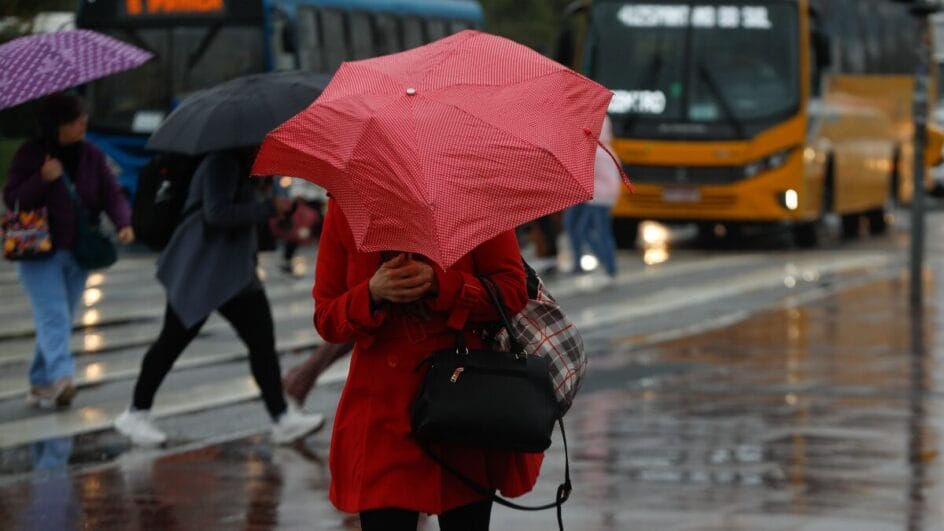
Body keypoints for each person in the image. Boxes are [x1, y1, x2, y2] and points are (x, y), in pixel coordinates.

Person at [314, 200, 544, 531]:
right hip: (382, 411)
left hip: (463, 401)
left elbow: (511, 290)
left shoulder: (471, 197)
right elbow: (326, 318)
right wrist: (372, 293)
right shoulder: (347, 205)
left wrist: (440, 284)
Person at [114, 147, 325, 446]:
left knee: (260, 341)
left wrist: (270, 201)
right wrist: (266, 208)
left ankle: (281, 417)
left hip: (231, 274)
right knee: (172, 341)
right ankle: (135, 413)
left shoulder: (240, 164)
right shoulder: (222, 162)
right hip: (204, 272)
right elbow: (216, 213)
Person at [3, 93, 134, 409]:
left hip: (78, 250)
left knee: (60, 318)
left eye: (83, 118)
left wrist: (123, 222)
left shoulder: (91, 155)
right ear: (57, 124)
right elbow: (12, 199)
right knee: (55, 315)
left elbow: (111, 192)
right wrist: (41, 179)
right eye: (76, 120)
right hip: (38, 251)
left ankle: (39, 382)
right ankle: (63, 378)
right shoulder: (31, 154)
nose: (83, 124)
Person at [565, 115, 620, 279]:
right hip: (598, 197)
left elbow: (584, 172)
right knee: (588, 229)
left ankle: (609, 266)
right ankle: (606, 265)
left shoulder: (596, 152)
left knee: (593, 231)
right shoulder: (605, 150)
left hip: (598, 198)